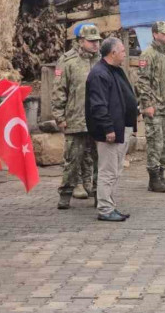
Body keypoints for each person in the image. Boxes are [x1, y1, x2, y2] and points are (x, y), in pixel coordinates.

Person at [86, 37, 138, 222]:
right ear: (112, 53)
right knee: (108, 171)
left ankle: (111, 205)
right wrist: (108, 128)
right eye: (122, 50)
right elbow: (98, 105)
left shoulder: (115, 70)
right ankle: (105, 209)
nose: (125, 53)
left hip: (121, 127)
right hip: (111, 131)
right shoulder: (99, 74)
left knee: (115, 170)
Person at [53, 23, 101, 210]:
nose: (95, 44)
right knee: (73, 158)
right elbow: (59, 90)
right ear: (81, 41)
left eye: (97, 41)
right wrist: (59, 116)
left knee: (99, 160)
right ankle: (65, 194)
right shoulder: (67, 61)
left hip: (98, 120)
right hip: (76, 118)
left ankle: (99, 194)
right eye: (91, 41)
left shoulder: (101, 60)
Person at [136, 21, 165, 193]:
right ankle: (153, 179)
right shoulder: (148, 55)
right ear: (155, 34)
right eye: (164, 33)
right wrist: (147, 105)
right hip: (155, 108)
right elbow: (143, 82)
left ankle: (161, 175)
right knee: (155, 144)